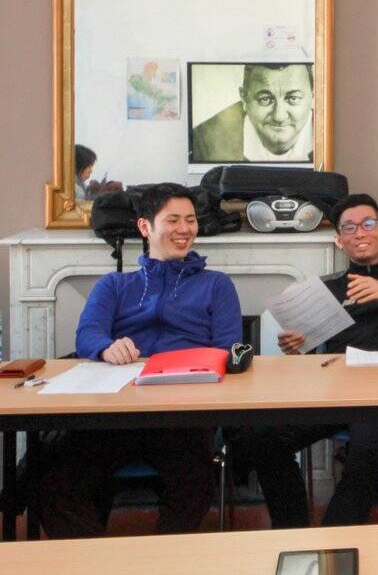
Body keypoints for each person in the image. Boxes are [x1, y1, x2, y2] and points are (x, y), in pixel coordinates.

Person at [37, 183, 242, 537]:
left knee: (194, 484)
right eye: (173, 220)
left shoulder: (217, 285)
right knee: (54, 481)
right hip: (115, 413)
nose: (184, 229)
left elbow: (228, 347)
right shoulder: (114, 285)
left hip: (183, 414)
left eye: (191, 220)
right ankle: (94, 562)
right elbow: (87, 335)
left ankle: (161, 562)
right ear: (145, 227)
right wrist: (105, 347)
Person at [233, 193, 378, 528]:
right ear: (339, 240)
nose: (360, 233)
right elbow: (314, 352)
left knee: (363, 458)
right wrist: (300, 344)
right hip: (335, 388)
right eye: (350, 228)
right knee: (261, 434)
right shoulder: (324, 287)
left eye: (368, 224)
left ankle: (331, 542)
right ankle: (292, 531)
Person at [191, 63, 313, 163]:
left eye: (293, 98)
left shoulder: (331, 141)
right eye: (265, 99)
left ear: (313, 97)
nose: (279, 116)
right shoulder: (204, 142)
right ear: (244, 98)